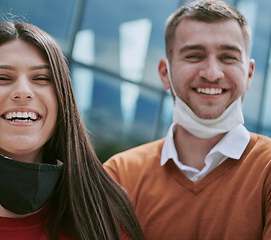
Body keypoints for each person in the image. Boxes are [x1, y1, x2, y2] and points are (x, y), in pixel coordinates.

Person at [0, 21, 144, 240]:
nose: (23, 92)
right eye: (2, 77)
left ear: (61, 102)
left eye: (41, 78)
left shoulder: (103, 217)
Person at [104, 0, 271, 239]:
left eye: (228, 57)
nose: (212, 73)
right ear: (165, 73)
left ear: (249, 74)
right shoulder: (120, 174)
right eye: (194, 56)